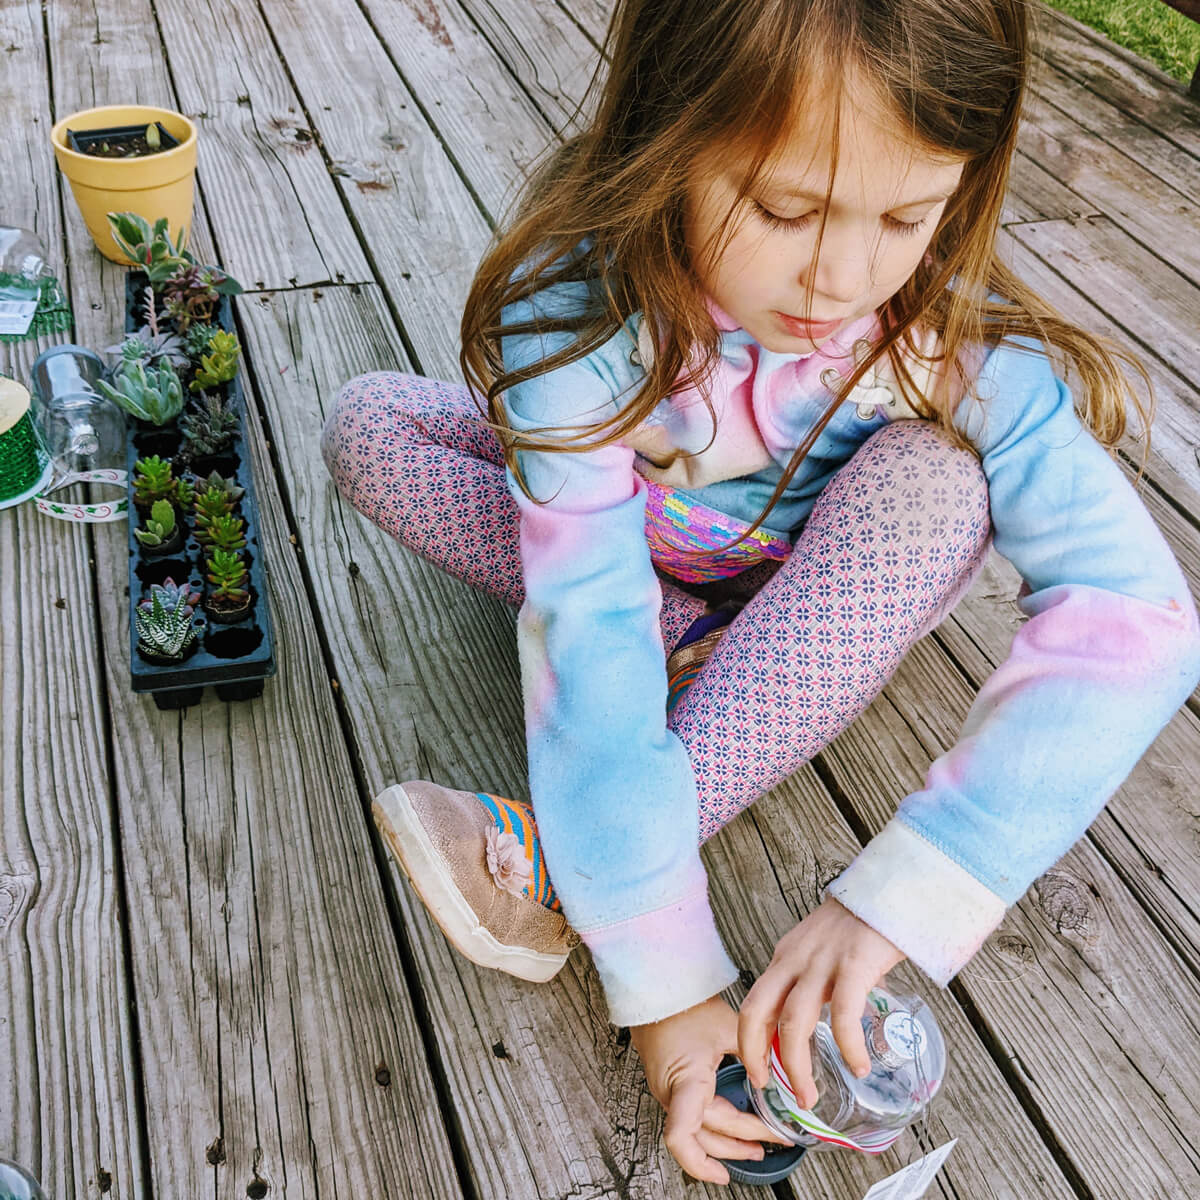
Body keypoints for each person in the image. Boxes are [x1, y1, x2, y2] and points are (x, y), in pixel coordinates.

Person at [321, 0, 1200, 1184]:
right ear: (665, 139)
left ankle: (571, 859)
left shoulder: (942, 341)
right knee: (372, 422)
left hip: (826, 593)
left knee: (942, 477)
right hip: (645, 568)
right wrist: (674, 1006)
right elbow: (592, 633)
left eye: (906, 216)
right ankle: (693, 679)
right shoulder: (577, 312)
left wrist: (902, 897)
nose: (840, 278)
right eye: (786, 208)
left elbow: (1140, 619)